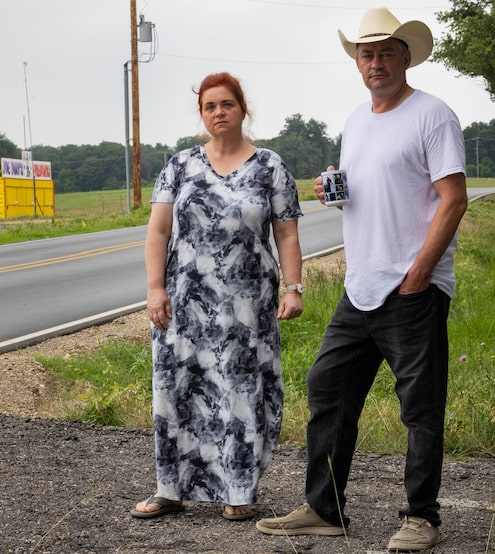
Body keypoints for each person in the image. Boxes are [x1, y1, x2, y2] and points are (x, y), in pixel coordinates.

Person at [255, 7, 467, 552]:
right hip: (361, 286)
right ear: (358, 63)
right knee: (327, 386)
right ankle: (325, 510)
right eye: (366, 54)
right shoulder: (355, 121)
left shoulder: (433, 115)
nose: (376, 63)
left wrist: (419, 274)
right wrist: (336, 191)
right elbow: (365, 193)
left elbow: (453, 199)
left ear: (406, 57)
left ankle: (422, 518)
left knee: (420, 408)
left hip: (413, 289)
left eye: (386, 53)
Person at [131, 72, 304, 522]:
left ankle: (238, 490)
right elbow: (158, 231)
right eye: (210, 107)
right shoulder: (180, 165)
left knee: (240, 392)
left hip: (247, 307)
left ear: (242, 110)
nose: (218, 113)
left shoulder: (269, 165)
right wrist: (154, 289)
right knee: (178, 391)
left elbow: (286, 233)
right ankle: (170, 489)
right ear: (202, 114)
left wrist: (293, 286)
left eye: (226, 104)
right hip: (184, 304)